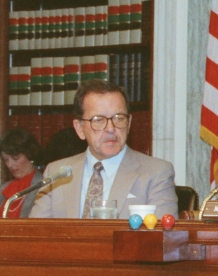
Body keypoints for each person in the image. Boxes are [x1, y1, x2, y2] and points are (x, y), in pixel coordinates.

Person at [30, 80, 178, 219]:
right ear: (80, 128)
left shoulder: (156, 173)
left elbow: (163, 239)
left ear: (129, 123)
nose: (111, 128)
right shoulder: (56, 174)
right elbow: (34, 236)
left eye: (119, 118)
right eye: (98, 120)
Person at [1, 128, 43, 218]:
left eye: (15, 158)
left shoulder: (43, 186)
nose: (10, 165)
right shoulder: (4, 188)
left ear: (29, 154)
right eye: (6, 160)